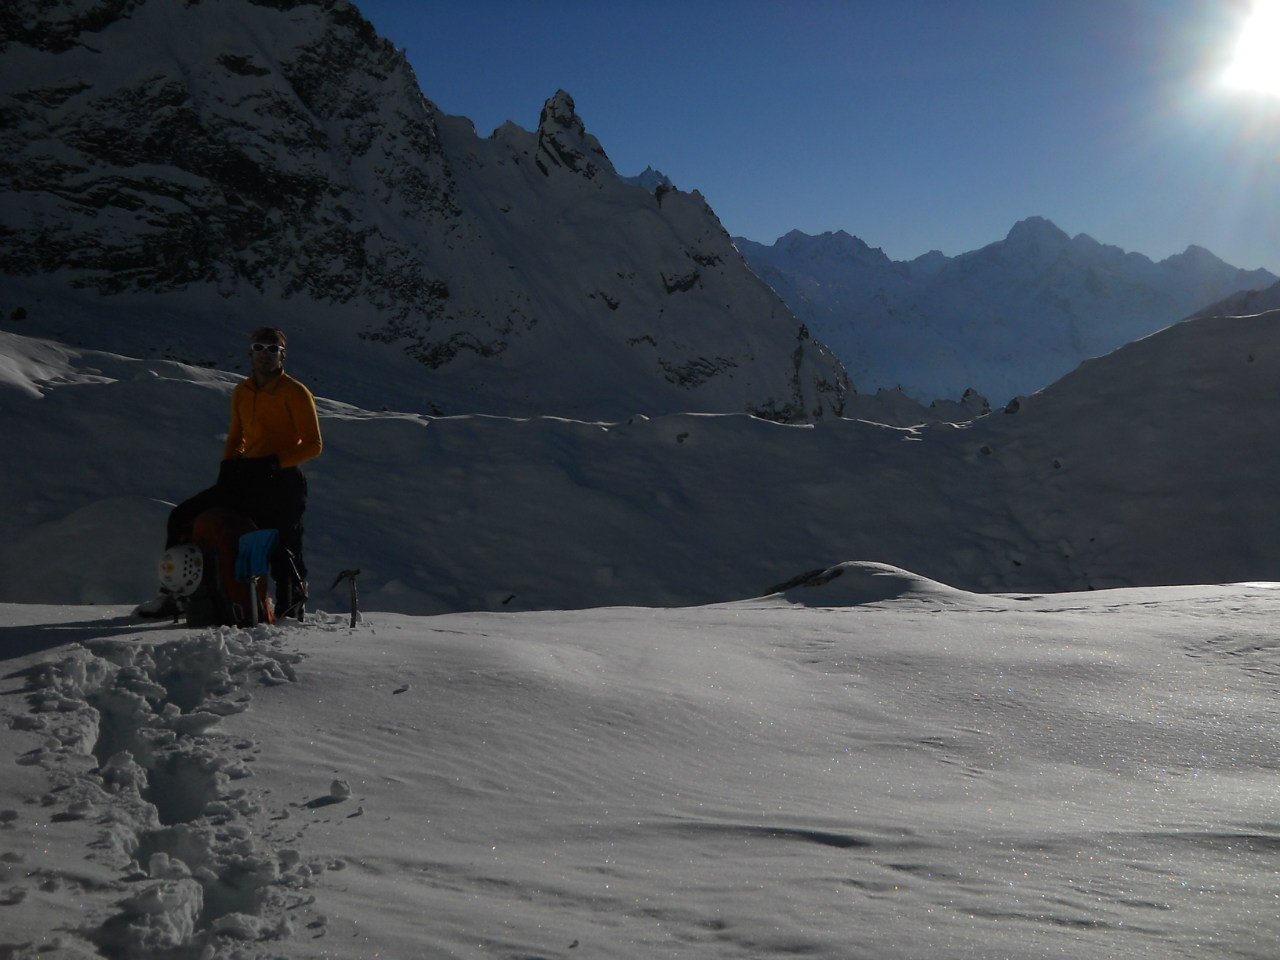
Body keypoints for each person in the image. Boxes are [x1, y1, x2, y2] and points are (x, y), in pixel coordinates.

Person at [137, 326, 323, 619]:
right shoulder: (243, 391)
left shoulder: (295, 393)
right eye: (259, 348)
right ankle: (175, 595)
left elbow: (313, 445)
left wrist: (274, 463)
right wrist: (230, 465)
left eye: (272, 349)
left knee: (284, 546)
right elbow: (237, 436)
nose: (265, 354)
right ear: (250, 353)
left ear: (282, 355)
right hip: (245, 476)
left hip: (282, 481)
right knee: (183, 517)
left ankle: (291, 608)